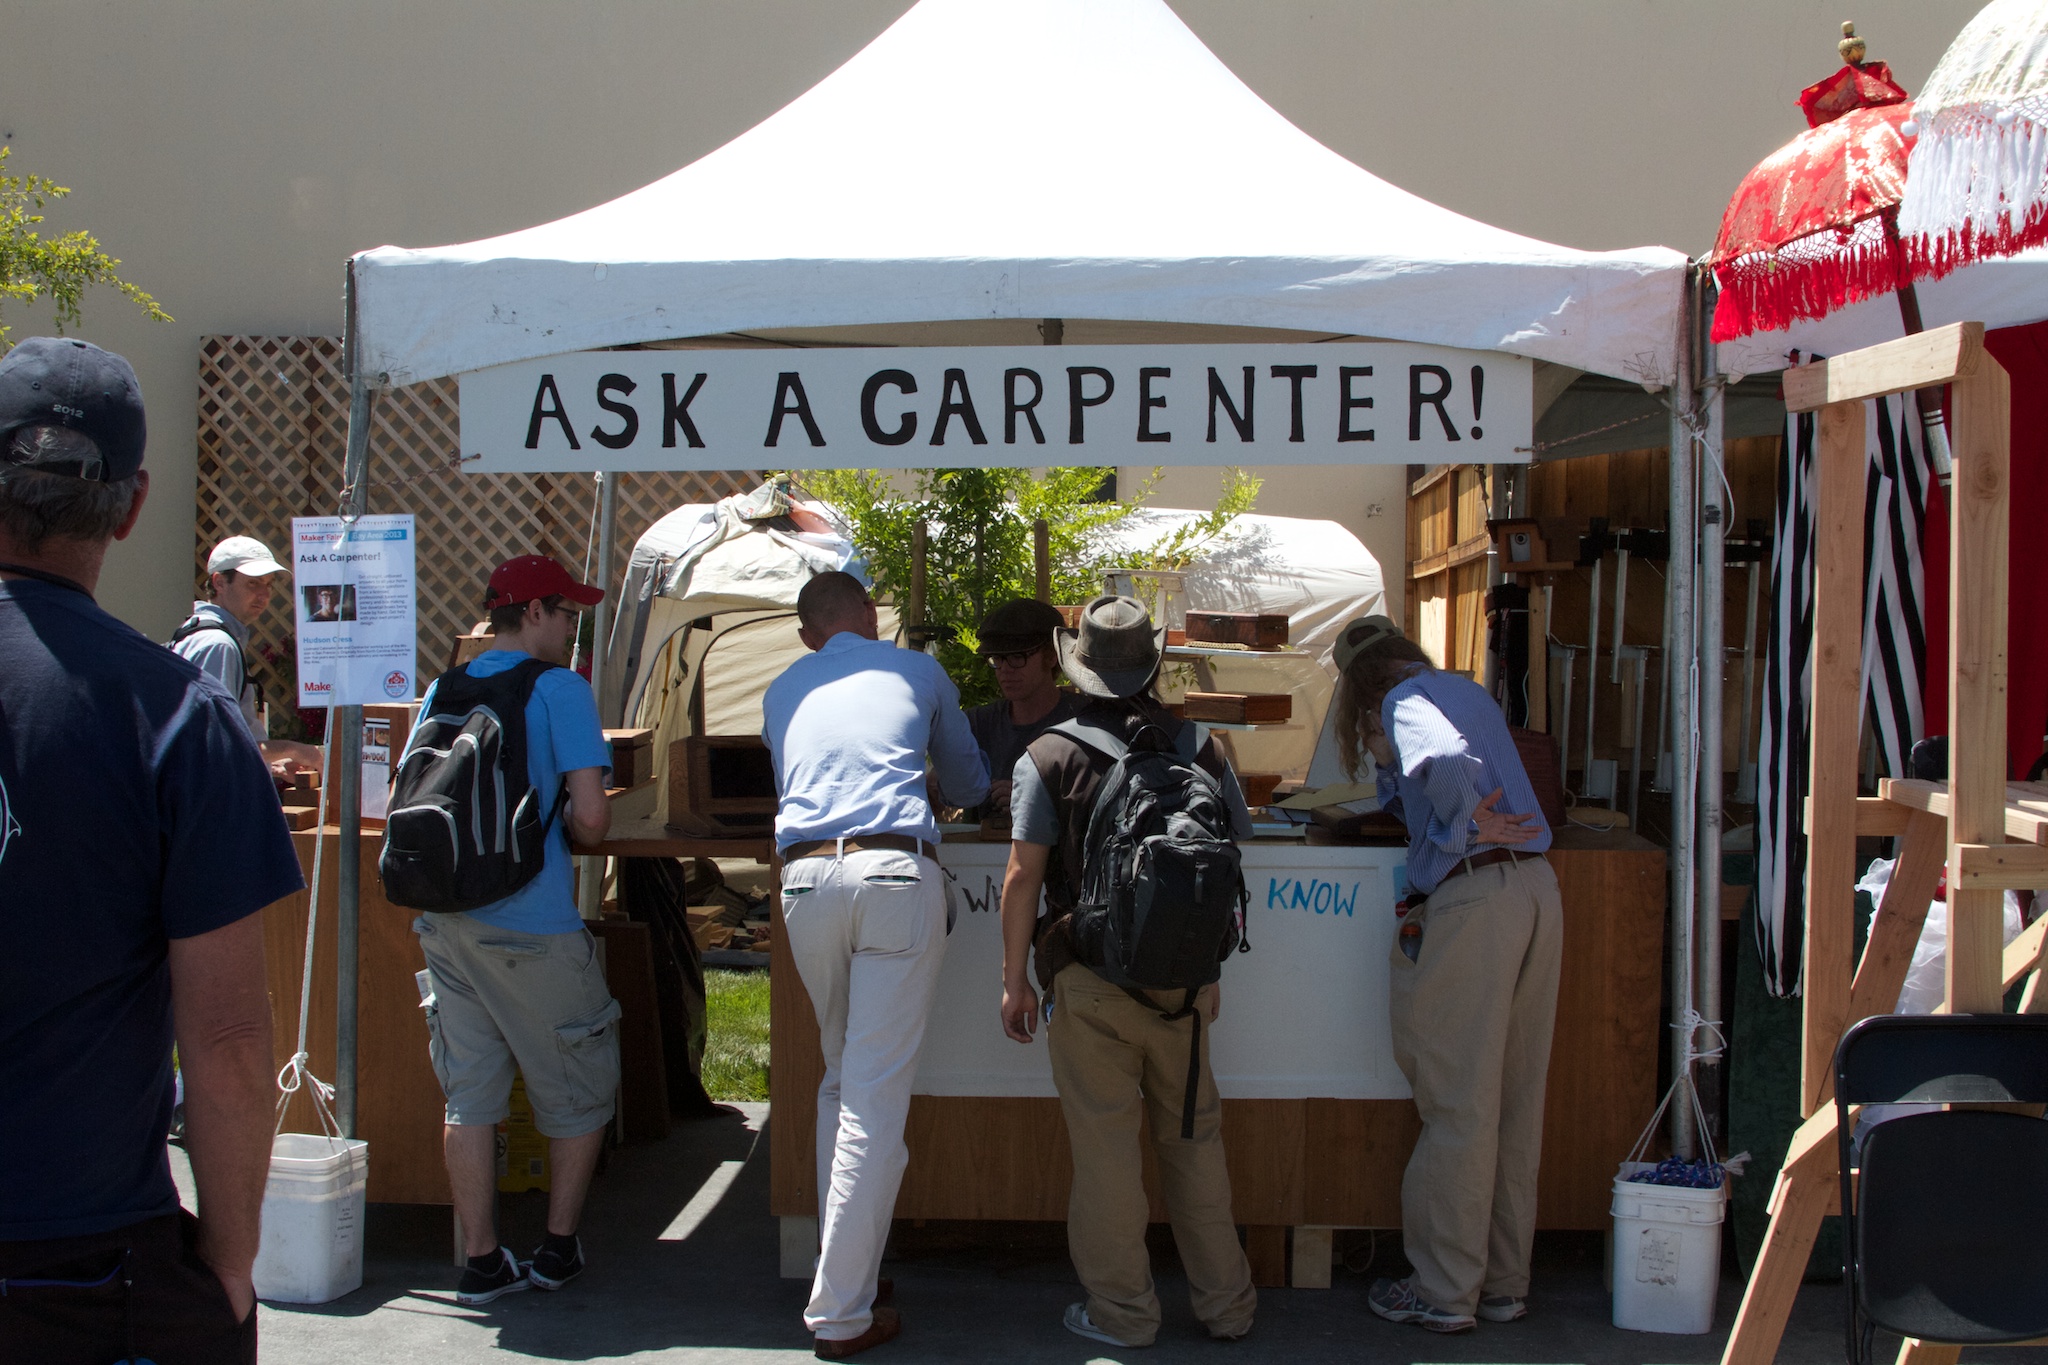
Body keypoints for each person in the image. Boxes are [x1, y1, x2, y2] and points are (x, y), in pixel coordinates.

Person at [0, 337, 303, 1363]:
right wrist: (231, 1257)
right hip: (81, 1263)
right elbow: (224, 1043)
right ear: (131, 508)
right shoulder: (178, 718)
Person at [997, 594, 1258, 1349]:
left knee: (1107, 1154)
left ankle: (1125, 1315)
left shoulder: (1047, 754)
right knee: (1195, 1143)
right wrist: (1209, 970)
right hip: (1184, 986)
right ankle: (1229, 1306)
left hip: (1089, 981)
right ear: (1154, 666)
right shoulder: (1201, 745)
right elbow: (1234, 856)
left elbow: (1021, 876)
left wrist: (1015, 979)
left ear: (1079, 665)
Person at [761, 570, 989, 1359]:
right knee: (871, 1103)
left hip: (803, 881)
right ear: (871, 615)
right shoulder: (918, 670)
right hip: (894, 875)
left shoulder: (782, 687)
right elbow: (969, 782)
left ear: (805, 635)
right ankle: (841, 1311)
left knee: (840, 1081)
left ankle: (845, 1265)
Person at [1330, 614, 1555, 1334]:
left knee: (1457, 1106)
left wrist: (1462, 827)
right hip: (1535, 891)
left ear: (1359, 685)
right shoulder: (1462, 686)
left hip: (1474, 897)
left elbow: (1452, 766)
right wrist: (1398, 774)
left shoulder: (1405, 704)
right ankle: (1500, 1283)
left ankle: (1442, 1289)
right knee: (1515, 1107)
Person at [405, 554, 617, 1306]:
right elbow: (591, 818)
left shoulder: (443, 685)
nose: (572, 627)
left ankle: (481, 1258)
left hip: (447, 918)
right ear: (534, 612)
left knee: (469, 1095)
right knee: (579, 1085)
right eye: (567, 613)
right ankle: (557, 1249)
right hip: (532, 923)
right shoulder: (562, 689)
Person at [169, 534, 324, 780]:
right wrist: (295, 749)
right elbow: (216, 743)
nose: (264, 595)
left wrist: (271, 765)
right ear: (219, 582)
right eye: (253, 583)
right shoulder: (218, 645)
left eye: (269, 584)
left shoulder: (200, 632)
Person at [962, 597, 1080, 818]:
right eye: (997, 659)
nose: (1005, 669)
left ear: (1052, 656)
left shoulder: (1084, 724)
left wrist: (1034, 799)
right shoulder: (976, 725)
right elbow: (936, 786)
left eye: (1017, 657)